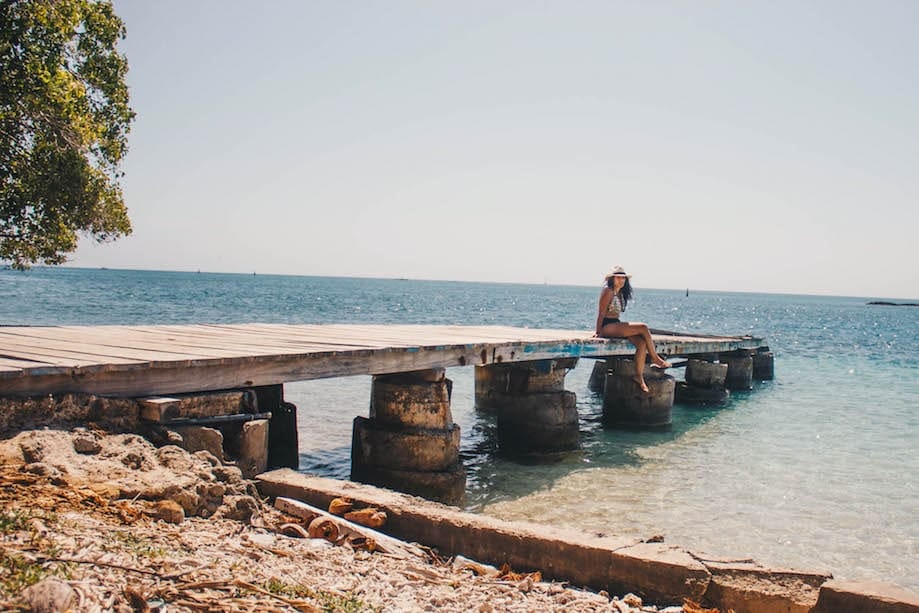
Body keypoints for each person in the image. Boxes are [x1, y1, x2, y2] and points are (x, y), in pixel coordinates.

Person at [594, 266, 671, 393]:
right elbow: (601, 313)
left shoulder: (619, 294)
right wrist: (598, 332)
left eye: (623, 278)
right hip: (606, 326)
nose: (621, 280)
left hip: (616, 324)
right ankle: (655, 358)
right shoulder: (608, 291)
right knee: (643, 327)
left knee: (641, 343)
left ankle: (639, 377)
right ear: (612, 279)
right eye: (618, 278)